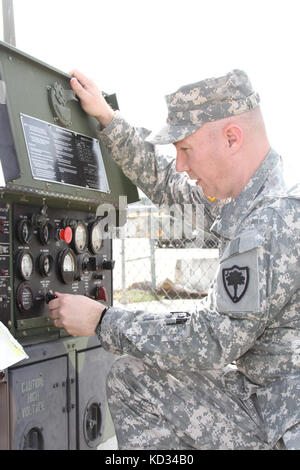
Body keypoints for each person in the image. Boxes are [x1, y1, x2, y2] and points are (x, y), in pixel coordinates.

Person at [48, 69, 300, 450]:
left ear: (232, 138)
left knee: (133, 378)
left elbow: (209, 339)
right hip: (268, 406)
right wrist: (109, 121)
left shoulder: (268, 226)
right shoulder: (252, 205)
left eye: (186, 149)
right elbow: (169, 185)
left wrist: (101, 320)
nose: (181, 164)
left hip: (276, 425)